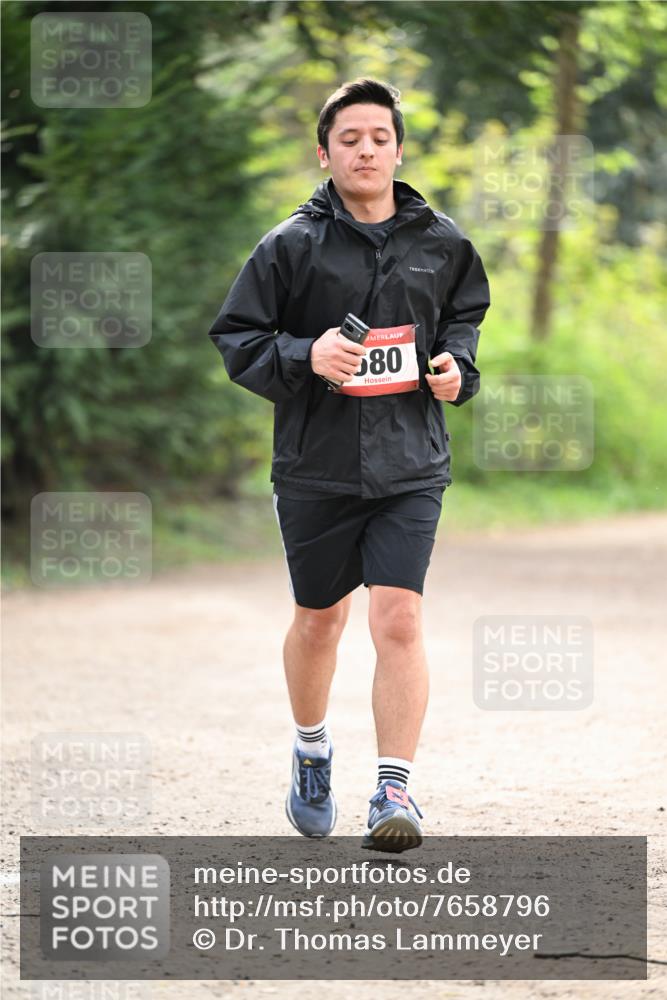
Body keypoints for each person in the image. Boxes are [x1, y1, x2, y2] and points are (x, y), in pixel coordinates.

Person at [207, 78, 490, 852]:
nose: (365, 149)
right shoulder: (289, 245)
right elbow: (237, 340)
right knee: (319, 620)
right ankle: (310, 748)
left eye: (378, 137)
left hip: (409, 463)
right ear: (325, 152)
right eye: (349, 139)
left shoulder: (442, 241)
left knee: (397, 617)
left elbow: (462, 318)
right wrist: (305, 352)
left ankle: (394, 790)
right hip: (315, 465)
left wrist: (456, 369)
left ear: (398, 149)